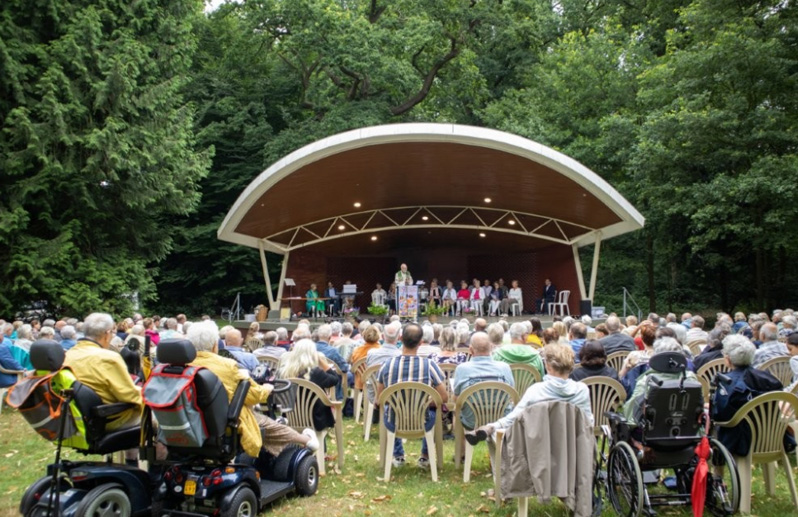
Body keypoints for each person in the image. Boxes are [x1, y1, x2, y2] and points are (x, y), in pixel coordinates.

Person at [186, 321, 318, 458]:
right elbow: (254, 396)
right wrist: (266, 388)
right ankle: (306, 441)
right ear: (215, 345)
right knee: (263, 422)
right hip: (224, 422)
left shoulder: (182, 365)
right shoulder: (226, 366)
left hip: (191, 421)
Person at [470, 344, 593, 441]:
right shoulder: (582, 390)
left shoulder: (537, 390)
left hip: (540, 447)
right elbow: (588, 422)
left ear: (548, 366)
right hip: (573, 446)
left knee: (500, 433)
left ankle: (489, 429)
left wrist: (494, 425)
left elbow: (513, 418)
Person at [377, 323, 447, 469]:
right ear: (421, 342)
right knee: (434, 409)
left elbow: (380, 399)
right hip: (423, 421)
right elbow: (444, 397)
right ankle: (425, 456)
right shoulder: (429, 365)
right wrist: (426, 403)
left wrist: (397, 403)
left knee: (390, 408)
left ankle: (398, 455)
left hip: (394, 421)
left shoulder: (387, 365)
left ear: (400, 339)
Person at [712, 335, 788, 456]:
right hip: (772, 437)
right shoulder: (768, 378)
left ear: (727, 359)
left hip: (740, 442)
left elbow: (720, 416)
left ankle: (716, 465)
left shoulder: (727, 382)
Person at [622, 338, 698, 424]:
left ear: (656, 356)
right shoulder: (690, 378)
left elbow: (630, 415)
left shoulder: (647, 380)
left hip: (650, 430)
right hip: (687, 428)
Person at [453, 332, 514, 432]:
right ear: (491, 347)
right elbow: (511, 395)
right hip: (500, 419)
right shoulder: (504, 368)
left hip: (472, 421)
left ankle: (462, 441)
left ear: (471, 349)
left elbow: (457, 399)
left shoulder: (462, 369)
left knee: (457, 410)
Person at [280, 339, 342, 432]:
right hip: (315, 420)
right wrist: (321, 361)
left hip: (290, 418)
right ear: (313, 354)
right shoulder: (315, 373)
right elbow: (335, 379)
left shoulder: (284, 372)